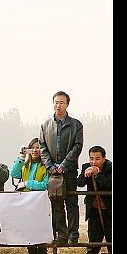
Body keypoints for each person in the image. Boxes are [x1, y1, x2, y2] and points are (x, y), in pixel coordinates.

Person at [39, 91, 83, 245]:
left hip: (69, 170)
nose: (58, 105)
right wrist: (50, 166)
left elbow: (77, 146)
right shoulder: (45, 125)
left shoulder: (76, 124)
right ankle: (61, 234)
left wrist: (64, 165)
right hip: (52, 172)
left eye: (62, 102)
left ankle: (73, 234)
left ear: (67, 104)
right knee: (56, 203)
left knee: (71, 202)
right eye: (56, 102)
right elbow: (42, 147)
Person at [10, 138, 50, 254]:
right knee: (28, 237)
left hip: (39, 205)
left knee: (40, 237)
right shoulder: (25, 164)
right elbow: (14, 174)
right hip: (25, 204)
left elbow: (45, 184)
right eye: (32, 147)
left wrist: (28, 183)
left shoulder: (46, 166)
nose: (35, 150)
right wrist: (21, 157)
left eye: (38, 147)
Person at [76, 146, 112, 254]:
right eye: (91, 158)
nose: (94, 161)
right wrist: (87, 172)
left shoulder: (110, 167)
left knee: (111, 239)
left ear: (104, 158)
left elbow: (109, 184)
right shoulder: (86, 166)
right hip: (94, 211)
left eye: (97, 159)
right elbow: (79, 183)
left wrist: (98, 174)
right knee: (93, 242)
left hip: (109, 212)